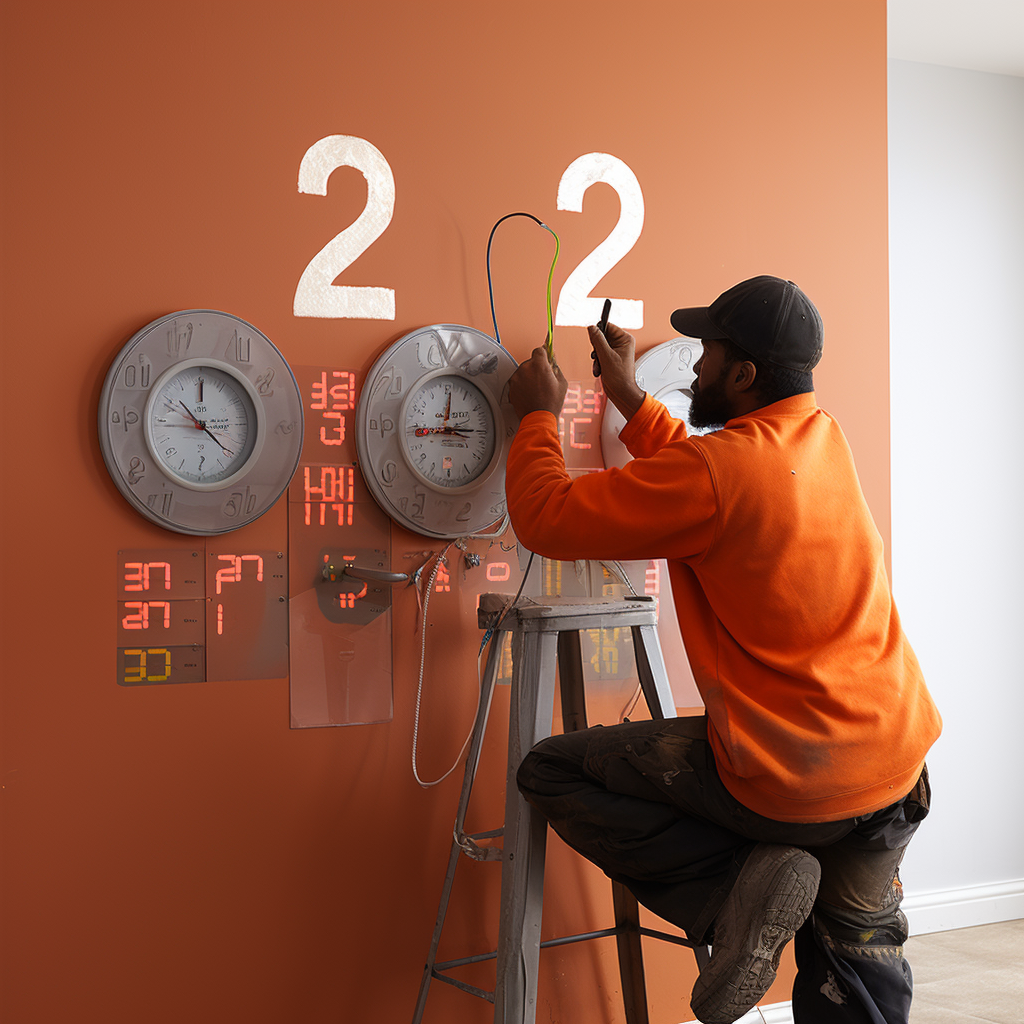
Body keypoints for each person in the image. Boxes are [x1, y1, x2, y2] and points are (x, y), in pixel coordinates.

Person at [503, 276, 941, 1024]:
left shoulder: (718, 474)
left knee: (550, 768)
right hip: (896, 764)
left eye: (707, 356)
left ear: (744, 375)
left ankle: (737, 889)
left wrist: (538, 416)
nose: (696, 371)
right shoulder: (820, 437)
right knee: (857, 972)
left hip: (792, 780)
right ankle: (825, 938)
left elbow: (547, 517)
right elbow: (716, 478)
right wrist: (634, 402)